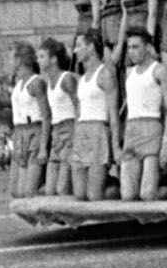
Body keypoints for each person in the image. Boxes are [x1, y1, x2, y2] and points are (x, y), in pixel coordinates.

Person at [119, 30, 167, 203]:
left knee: (147, 195)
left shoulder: (159, 71)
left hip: (151, 128)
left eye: (136, 47)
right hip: (132, 129)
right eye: (129, 48)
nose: (131, 52)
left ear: (148, 47)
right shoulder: (129, 72)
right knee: (128, 196)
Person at [70, 30, 119, 203]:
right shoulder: (82, 79)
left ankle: (118, 187)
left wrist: (116, 145)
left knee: (94, 196)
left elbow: (113, 112)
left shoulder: (105, 74)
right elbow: (78, 112)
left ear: (91, 47)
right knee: (80, 194)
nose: (75, 51)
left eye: (79, 46)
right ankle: (111, 183)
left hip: (98, 130)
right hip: (82, 131)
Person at [9, 43, 51, 199]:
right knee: (16, 192)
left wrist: (43, 148)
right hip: (19, 133)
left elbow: (46, 116)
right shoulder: (18, 83)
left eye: (11, 57)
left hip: (34, 131)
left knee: (28, 191)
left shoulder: (36, 82)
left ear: (19, 59)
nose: (10, 62)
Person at [39, 38, 78, 197]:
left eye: (42, 56)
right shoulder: (49, 82)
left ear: (54, 59)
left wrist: (77, 135)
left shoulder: (66, 78)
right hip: (56, 132)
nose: (38, 61)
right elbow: (48, 116)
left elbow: (78, 107)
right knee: (50, 190)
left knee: (62, 188)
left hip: (69, 130)